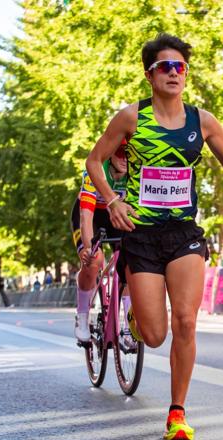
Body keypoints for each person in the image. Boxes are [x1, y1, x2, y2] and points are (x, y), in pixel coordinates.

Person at [85, 33, 223, 440]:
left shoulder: (202, 120)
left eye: (180, 67)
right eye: (165, 67)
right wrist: (112, 201)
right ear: (150, 74)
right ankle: (136, 320)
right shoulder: (130, 118)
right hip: (140, 235)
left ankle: (177, 412)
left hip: (183, 234)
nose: (174, 73)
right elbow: (94, 160)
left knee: (187, 320)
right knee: (155, 335)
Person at [70, 141, 129, 342]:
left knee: (131, 261)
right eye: (120, 153)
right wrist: (88, 248)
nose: (124, 159)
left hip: (116, 215)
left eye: (128, 154)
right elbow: (86, 216)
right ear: (111, 154)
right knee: (94, 259)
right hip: (92, 215)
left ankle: (129, 326)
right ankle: (82, 315)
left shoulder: (136, 173)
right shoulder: (96, 172)